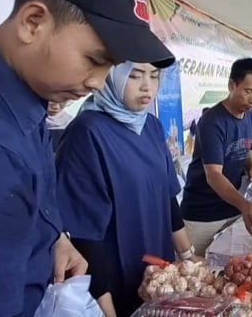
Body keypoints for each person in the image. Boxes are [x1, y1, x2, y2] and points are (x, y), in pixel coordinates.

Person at [0, 0, 174, 315]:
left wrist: (53, 239)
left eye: (111, 67)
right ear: (33, 21)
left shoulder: (19, 91)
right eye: (95, 60)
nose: (99, 83)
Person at [55, 62, 191, 317]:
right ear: (110, 78)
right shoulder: (87, 132)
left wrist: (187, 256)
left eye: (154, 76)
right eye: (135, 76)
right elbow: (84, 232)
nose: (147, 86)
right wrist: (107, 309)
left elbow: (168, 197)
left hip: (159, 273)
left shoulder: (151, 125)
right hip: (114, 278)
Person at [181, 58, 252, 255]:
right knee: (197, 272)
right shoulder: (213, 121)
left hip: (232, 208)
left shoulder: (251, 116)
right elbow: (214, 175)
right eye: (248, 91)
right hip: (202, 214)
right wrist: (244, 204)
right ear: (232, 85)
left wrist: (251, 167)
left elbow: (248, 145)